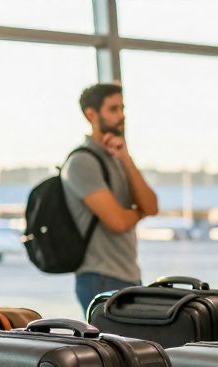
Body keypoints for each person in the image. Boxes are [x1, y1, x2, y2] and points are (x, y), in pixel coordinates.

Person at [63, 83, 159, 310]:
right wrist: (139, 211)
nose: (121, 116)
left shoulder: (116, 157)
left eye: (122, 108)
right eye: (113, 109)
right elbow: (117, 222)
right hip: (100, 278)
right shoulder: (82, 162)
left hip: (128, 275)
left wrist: (125, 158)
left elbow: (152, 206)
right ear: (91, 114)